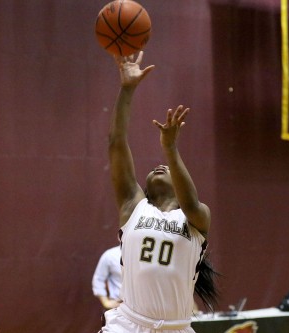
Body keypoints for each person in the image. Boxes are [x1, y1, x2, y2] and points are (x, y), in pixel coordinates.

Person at [99, 51, 219, 333]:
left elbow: (190, 202)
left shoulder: (196, 218)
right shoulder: (134, 206)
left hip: (175, 328)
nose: (159, 167)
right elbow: (116, 142)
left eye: (165, 167)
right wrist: (127, 89)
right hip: (128, 325)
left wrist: (171, 148)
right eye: (154, 168)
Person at [92, 245, 122, 310]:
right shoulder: (110, 255)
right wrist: (106, 302)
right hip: (117, 306)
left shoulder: (144, 256)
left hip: (142, 308)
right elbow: (98, 279)